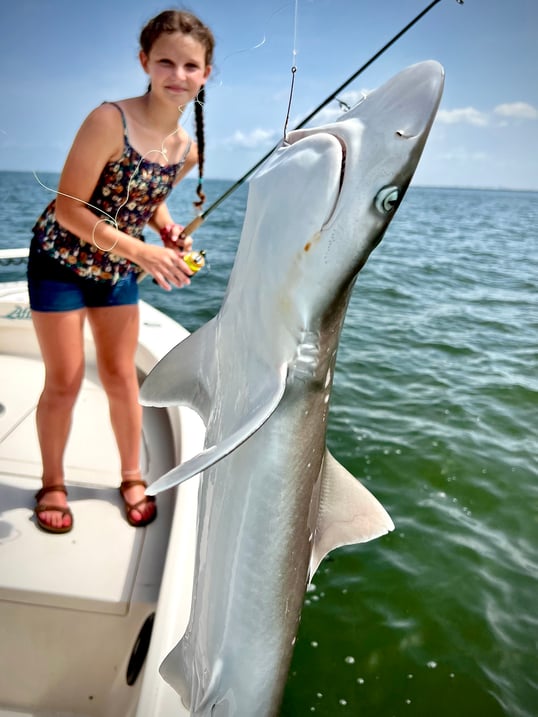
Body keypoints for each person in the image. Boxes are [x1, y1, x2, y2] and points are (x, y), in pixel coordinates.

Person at [27, 10, 214, 533]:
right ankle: (52, 482)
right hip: (59, 262)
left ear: (206, 72)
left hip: (116, 268)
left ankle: (132, 475)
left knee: (120, 379)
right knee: (63, 381)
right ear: (144, 63)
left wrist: (168, 230)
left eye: (191, 66)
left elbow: (146, 201)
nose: (178, 75)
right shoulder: (109, 119)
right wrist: (145, 253)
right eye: (165, 62)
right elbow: (68, 209)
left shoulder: (188, 149)